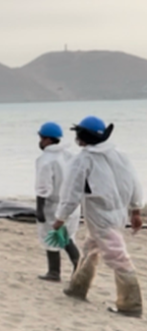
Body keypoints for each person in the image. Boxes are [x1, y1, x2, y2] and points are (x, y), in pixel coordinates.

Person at [54, 116, 144, 317]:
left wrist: (60, 218)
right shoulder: (120, 155)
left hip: (100, 215)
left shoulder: (82, 160)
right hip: (118, 212)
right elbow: (135, 183)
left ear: (82, 137)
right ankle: (77, 288)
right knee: (90, 248)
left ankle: (131, 305)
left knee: (118, 257)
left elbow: (71, 192)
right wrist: (136, 210)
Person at [34, 122, 80, 281]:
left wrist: (39, 209)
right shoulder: (68, 155)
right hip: (72, 204)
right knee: (66, 236)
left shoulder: (45, 159)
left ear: (47, 139)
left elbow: (43, 187)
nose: (39, 141)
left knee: (56, 236)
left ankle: (64, 270)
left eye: (40, 138)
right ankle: (57, 271)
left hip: (54, 205)